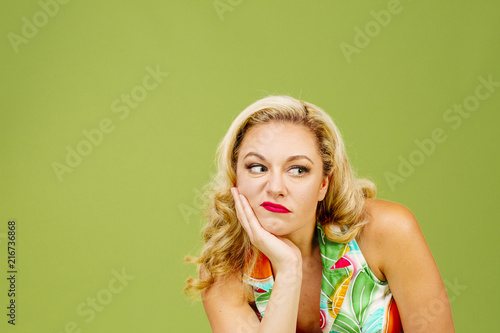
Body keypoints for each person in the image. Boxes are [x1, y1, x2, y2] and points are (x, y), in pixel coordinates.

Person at [184, 95, 454, 333]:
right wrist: (288, 268)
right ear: (235, 178)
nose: (276, 187)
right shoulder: (224, 266)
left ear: (323, 184)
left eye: (298, 170)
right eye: (257, 167)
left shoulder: (386, 231)